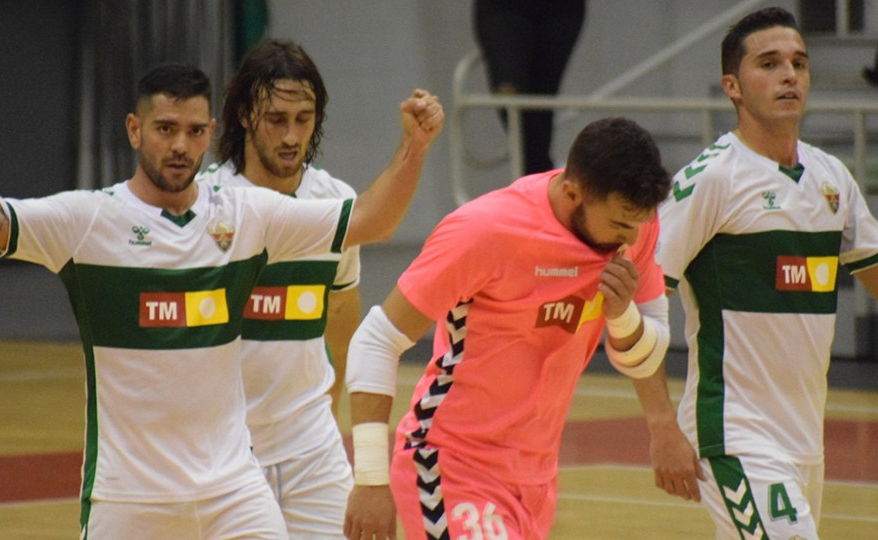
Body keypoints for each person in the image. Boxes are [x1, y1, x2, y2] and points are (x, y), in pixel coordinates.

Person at [0, 63, 444, 538]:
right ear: (134, 129)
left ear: (210, 133)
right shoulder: (88, 220)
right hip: (128, 497)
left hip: (233, 487)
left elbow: (372, 222)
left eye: (192, 131)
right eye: (165, 129)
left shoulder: (247, 214)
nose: (180, 146)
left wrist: (415, 147)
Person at [342, 116, 673, 540]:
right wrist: (370, 478)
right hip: (451, 464)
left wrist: (623, 316)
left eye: (639, 225)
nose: (630, 238)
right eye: (621, 226)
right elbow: (376, 339)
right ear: (574, 192)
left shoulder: (633, 224)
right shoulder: (485, 231)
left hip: (535, 478)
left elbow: (651, 343)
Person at [634, 7, 878, 539]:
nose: (789, 75)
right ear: (733, 86)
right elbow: (641, 297)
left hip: (805, 440)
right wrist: (661, 426)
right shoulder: (711, 179)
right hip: (735, 434)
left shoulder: (832, 176)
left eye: (798, 63)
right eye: (769, 63)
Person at [197, 38, 379, 537]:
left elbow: (341, 317)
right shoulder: (204, 207)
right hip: (226, 455)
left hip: (311, 450)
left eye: (304, 119)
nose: (292, 135)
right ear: (242, 115)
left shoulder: (335, 201)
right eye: (277, 119)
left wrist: (328, 411)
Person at [473, 0, 586, 175]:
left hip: (561, 9)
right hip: (503, 7)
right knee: (508, 91)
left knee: (542, 102)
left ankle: (539, 177)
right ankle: (543, 173)